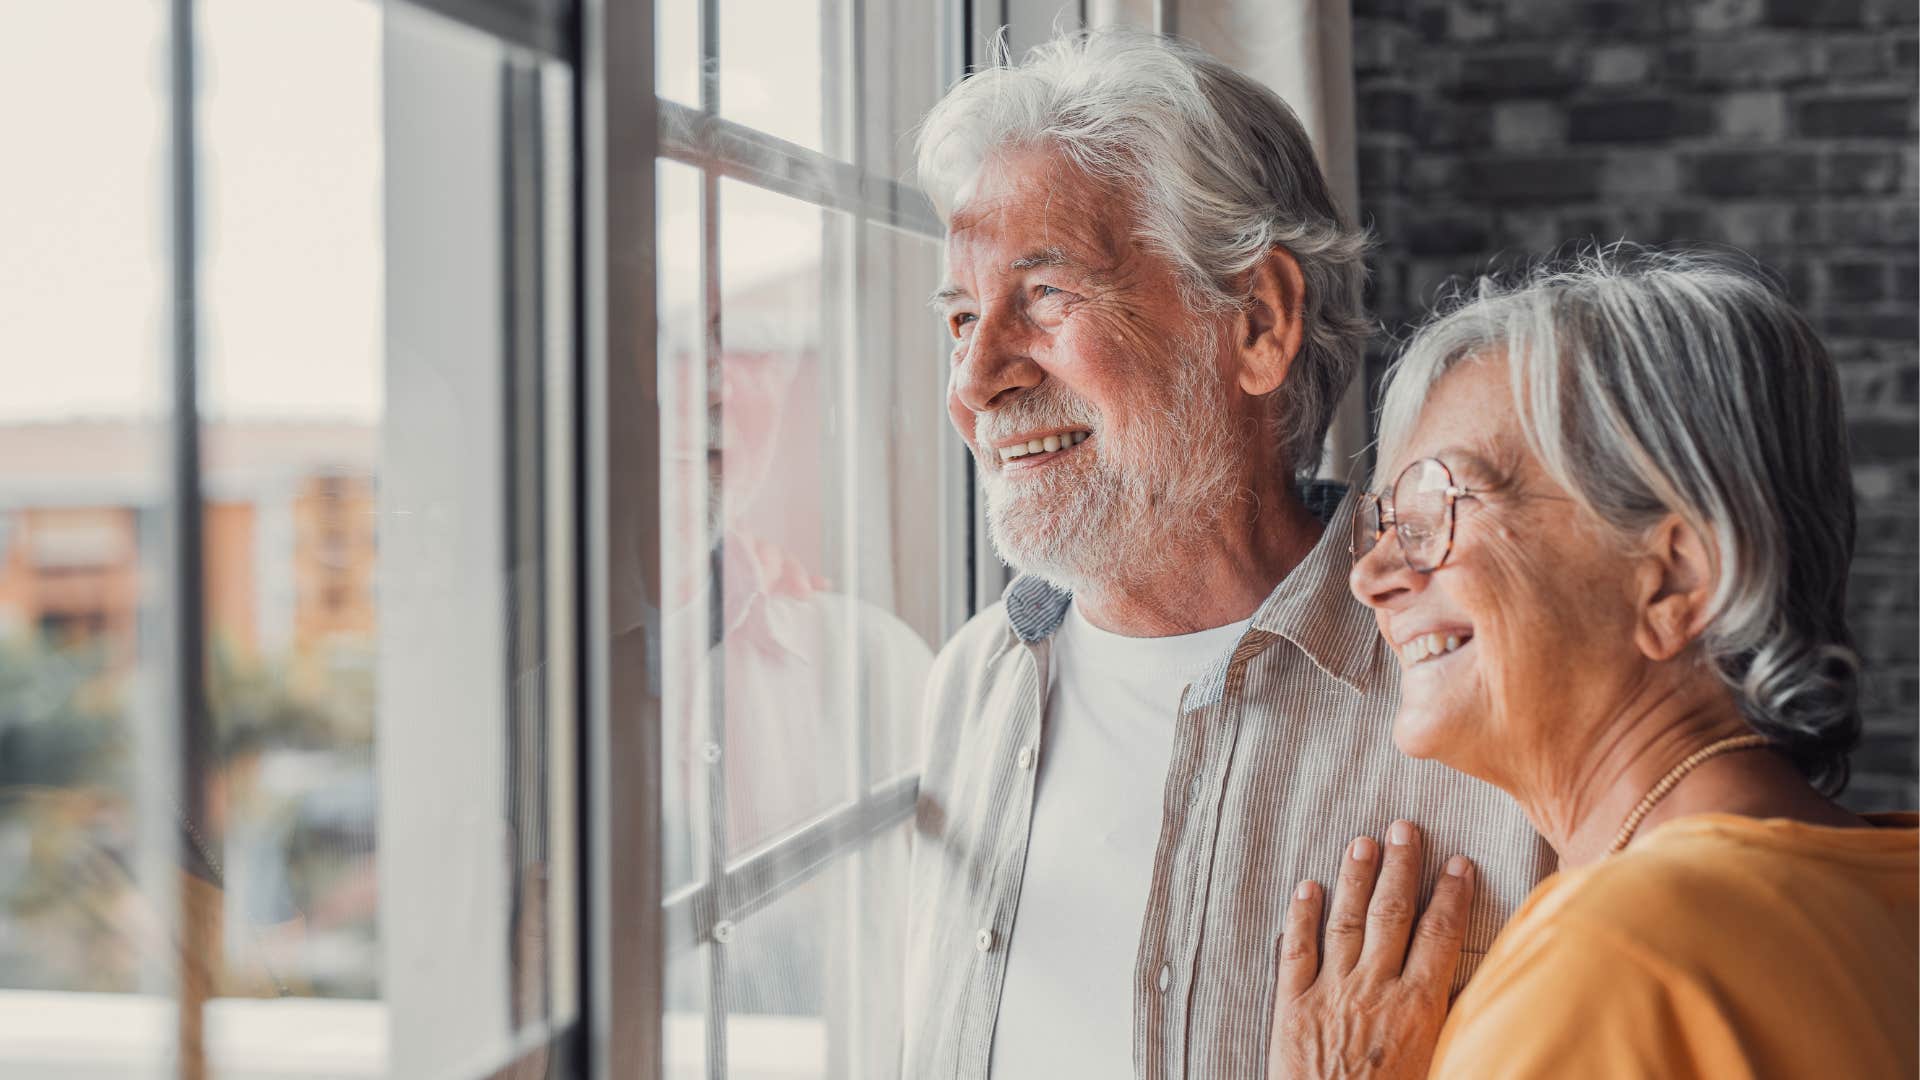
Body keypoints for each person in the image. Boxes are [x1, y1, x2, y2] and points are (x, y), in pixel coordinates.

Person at [902, 30, 1552, 1080]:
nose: (976, 380)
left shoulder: (1491, 704)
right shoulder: (970, 689)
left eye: (1045, 295)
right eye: (962, 316)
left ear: (1256, 321)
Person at [1267, 248, 1919, 1078]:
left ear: (1675, 578)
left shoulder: (1612, 963)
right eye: (1386, 520)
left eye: (1436, 508)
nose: (1371, 575)